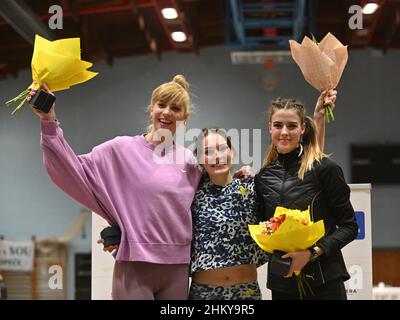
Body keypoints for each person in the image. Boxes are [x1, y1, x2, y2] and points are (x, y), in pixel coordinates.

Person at [29, 75, 204, 300]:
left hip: (178, 268)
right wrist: (49, 121)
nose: (167, 112)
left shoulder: (189, 161)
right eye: (161, 105)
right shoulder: (120, 149)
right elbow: (72, 168)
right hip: (135, 265)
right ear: (151, 109)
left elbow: (208, 199)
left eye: (175, 108)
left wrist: (239, 177)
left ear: (184, 117)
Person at [254, 96, 359, 300]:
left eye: (291, 126)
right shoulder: (263, 177)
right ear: (270, 128)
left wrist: (312, 253)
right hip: (282, 285)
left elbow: (350, 227)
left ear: (302, 128)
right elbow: (263, 227)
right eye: (278, 125)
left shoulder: (325, 169)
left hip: (325, 282)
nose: (284, 132)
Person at [188, 128, 268, 300]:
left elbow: (304, 176)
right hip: (204, 293)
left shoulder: (251, 187)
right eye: (208, 151)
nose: (217, 156)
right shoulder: (191, 193)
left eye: (222, 149)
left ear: (232, 152)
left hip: (247, 292)